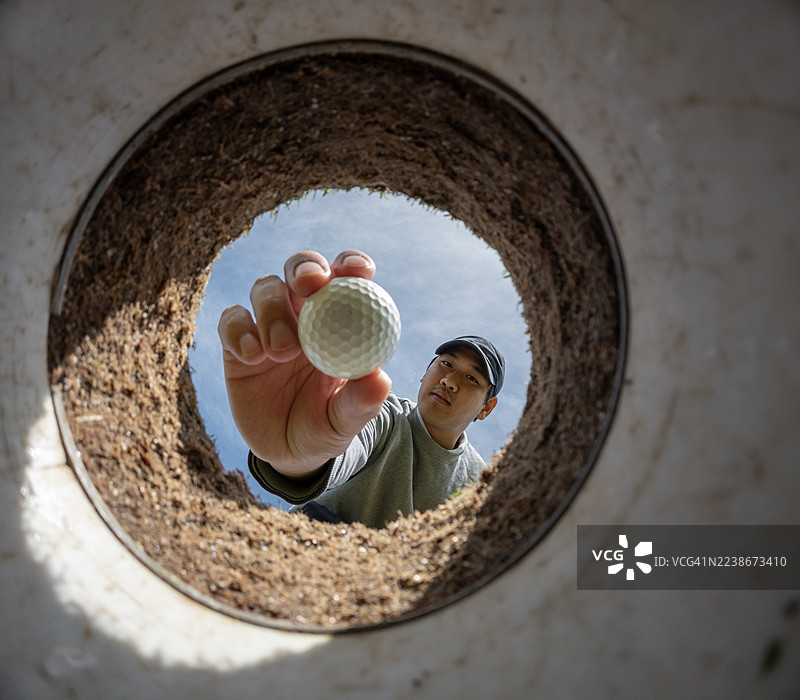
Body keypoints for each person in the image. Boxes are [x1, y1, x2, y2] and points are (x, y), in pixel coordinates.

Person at [217, 249, 505, 528]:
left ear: (486, 408)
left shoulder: (481, 485)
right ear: (424, 374)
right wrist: (300, 457)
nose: (449, 381)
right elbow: (347, 448)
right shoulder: (386, 416)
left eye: (471, 379)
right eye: (446, 365)